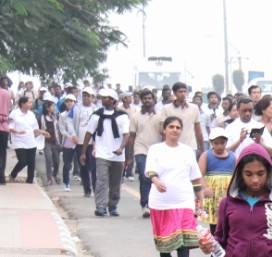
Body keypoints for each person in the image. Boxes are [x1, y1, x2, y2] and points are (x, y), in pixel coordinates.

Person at [145, 116, 203, 257]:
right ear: (164, 130)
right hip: (161, 201)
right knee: (164, 233)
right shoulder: (156, 149)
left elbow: (195, 177)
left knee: (183, 232)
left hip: (184, 200)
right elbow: (150, 170)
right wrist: (156, 181)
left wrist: (200, 199)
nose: (174, 130)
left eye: (178, 127)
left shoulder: (187, 151)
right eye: (171, 127)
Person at [80, 88, 130, 217]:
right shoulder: (96, 116)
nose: (102, 100)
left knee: (115, 181)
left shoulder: (122, 117)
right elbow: (89, 133)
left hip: (117, 155)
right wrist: (83, 152)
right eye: (102, 97)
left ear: (113, 100)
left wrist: (121, 148)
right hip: (102, 153)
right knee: (101, 179)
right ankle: (101, 206)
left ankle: (113, 205)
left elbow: (126, 135)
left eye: (105, 97)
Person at [198, 129, 236, 257]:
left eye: (222, 143)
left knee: (231, 227)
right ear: (212, 143)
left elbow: (237, 176)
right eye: (216, 143)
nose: (219, 146)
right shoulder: (206, 156)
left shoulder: (233, 157)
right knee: (215, 229)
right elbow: (199, 174)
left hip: (228, 196)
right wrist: (205, 188)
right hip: (213, 197)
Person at [128, 90, 162, 218]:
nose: (147, 100)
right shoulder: (135, 117)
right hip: (140, 149)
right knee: (144, 177)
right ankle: (145, 205)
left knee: (155, 178)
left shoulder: (160, 117)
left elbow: (164, 134)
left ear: (153, 100)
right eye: (145, 98)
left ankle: (155, 204)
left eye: (149, 98)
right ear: (141, 100)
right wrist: (129, 157)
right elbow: (131, 136)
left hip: (156, 150)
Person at [157, 81, 204, 154]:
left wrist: (202, 148)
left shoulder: (194, 108)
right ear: (175, 93)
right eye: (180, 92)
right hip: (171, 147)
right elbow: (162, 130)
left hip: (190, 147)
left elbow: (198, 129)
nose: (183, 94)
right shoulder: (166, 108)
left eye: (185, 92)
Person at [8, 95, 45, 183]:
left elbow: (35, 127)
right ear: (22, 104)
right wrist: (17, 131)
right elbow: (10, 126)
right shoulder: (14, 113)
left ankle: (30, 180)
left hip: (30, 140)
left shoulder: (31, 114)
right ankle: (13, 174)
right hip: (18, 140)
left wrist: (42, 132)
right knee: (23, 160)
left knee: (32, 161)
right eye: (29, 102)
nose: (31, 104)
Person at [75, 88, 98, 198]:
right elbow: (69, 121)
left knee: (93, 166)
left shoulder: (96, 109)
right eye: (84, 95)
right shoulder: (76, 108)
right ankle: (86, 189)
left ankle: (95, 188)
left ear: (92, 97)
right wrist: (72, 134)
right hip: (80, 141)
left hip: (92, 142)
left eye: (88, 96)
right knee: (83, 166)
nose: (86, 98)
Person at [56, 96, 78, 191]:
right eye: (67, 101)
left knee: (81, 163)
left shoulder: (79, 114)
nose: (69, 103)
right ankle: (66, 182)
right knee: (67, 164)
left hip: (78, 141)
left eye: (71, 101)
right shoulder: (63, 115)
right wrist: (70, 137)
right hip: (68, 141)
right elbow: (62, 129)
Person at [39, 99, 60, 187]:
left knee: (57, 160)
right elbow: (39, 128)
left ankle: (55, 174)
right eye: (52, 106)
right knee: (48, 159)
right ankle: (49, 178)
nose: (54, 108)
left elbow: (58, 129)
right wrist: (43, 133)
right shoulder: (42, 118)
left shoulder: (55, 117)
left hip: (55, 141)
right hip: (46, 141)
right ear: (47, 108)